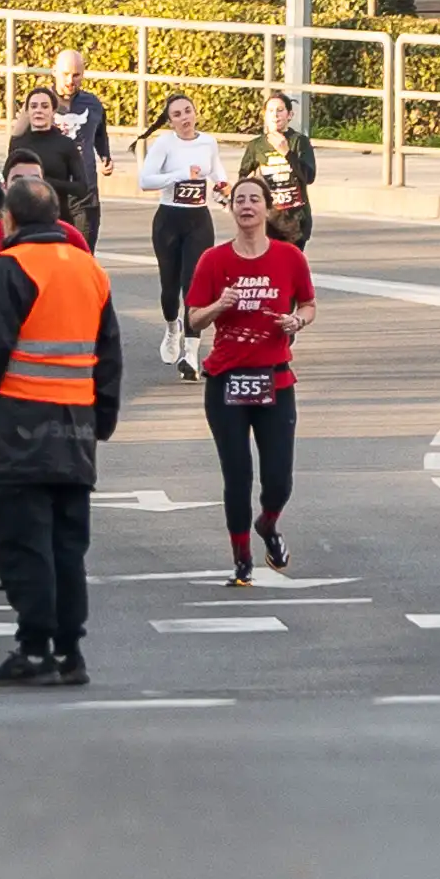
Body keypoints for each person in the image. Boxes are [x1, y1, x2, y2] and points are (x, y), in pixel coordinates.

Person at [0, 178, 122, 687]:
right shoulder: (90, 271)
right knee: (68, 546)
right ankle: (70, 653)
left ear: (9, 220)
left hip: (18, 427)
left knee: (24, 543)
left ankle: (34, 649)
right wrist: (101, 420)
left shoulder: (11, 267)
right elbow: (108, 355)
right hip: (75, 431)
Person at [187, 177, 317, 587]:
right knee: (237, 474)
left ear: (266, 208)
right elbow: (192, 318)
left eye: (254, 199)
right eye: (239, 199)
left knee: (279, 477)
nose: (246, 206)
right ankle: (241, 558)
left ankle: (269, 523)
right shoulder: (213, 260)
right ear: (232, 209)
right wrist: (218, 306)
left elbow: (309, 305)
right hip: (226, 380)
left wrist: (297, 320)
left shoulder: (289, 257)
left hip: (275, 379)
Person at [137, 94, 225, 380]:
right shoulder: (165, 143)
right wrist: (179, 175)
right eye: (177, 114)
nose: (184, 118)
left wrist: (222, 188)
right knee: (169, 288)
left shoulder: (208, 142)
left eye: (188, 111)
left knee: (194, 287)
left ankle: (191, 354)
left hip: (198, 220)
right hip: (168, 221)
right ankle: (172, 327)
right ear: (170, 120)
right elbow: (145, 180)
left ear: (196, 112)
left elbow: (216, 172)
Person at [0, 151, 88, 280]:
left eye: (34, 180)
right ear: (4, 186)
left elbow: (90, 286)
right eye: (18, 180)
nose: (26, 187)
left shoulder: (71, 237)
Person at [8, 86, 94, 242]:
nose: (39, 110)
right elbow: (8, 183)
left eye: (45, 106)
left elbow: (82, 188)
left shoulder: (65, 144)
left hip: (58, 220)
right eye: (33, 106)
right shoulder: (18, 143)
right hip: (23, 223)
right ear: (27, 111)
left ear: (53, 111)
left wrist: (47, 183)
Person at [44, 50, 114, 240]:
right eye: (65, 74)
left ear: (83, 74)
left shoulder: (92, 104)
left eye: (76, 75)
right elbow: (19, 141)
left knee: (82, 257)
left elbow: (100, 133)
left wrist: (105, 157)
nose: (70, 80)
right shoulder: (40, 103)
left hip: (84, 194)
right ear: (54, 72)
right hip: (50, 195)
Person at [237, 92, 318, 248]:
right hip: (268, 222)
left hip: (295, 222)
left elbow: (308, 177)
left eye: (280, 110)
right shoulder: (256, 145)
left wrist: (287, 153)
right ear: (265, 115)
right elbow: (243, 178)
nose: (275, 115)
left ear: (290, 115)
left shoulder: (299, 142)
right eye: (271, 111)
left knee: (288, 269)